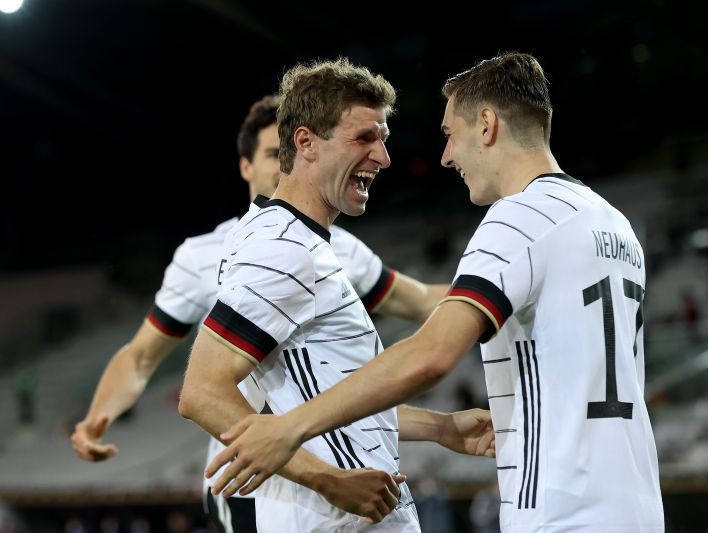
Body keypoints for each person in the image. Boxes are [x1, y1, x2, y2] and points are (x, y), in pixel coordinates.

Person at [207, 52, 665, 532]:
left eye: (450, 135)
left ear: (486, 125)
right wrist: (439, 426)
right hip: (636, 501)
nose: (446, 156)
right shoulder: (613, 222)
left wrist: (287, 428)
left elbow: (431, 352)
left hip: (560, 507)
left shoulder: (519, 217)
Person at [70, 94, 452, 531]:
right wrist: (95, 417)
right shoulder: (202, 255)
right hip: (248, 478)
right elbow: (142, 358)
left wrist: (500, 294)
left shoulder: (338, 246)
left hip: (331, 467)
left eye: (285, 150)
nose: (280, 163)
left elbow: (422, 300)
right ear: (246, 167)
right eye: (271, 153)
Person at [179, 58, 495, 532]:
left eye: (383, 139)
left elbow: (323, 396)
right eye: (364, 138)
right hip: (337, 519)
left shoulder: (292, 243)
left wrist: (440, 427)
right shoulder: (283, 250)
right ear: (305, 142)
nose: (383, 157)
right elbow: (202, 392)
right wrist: (329, 481)